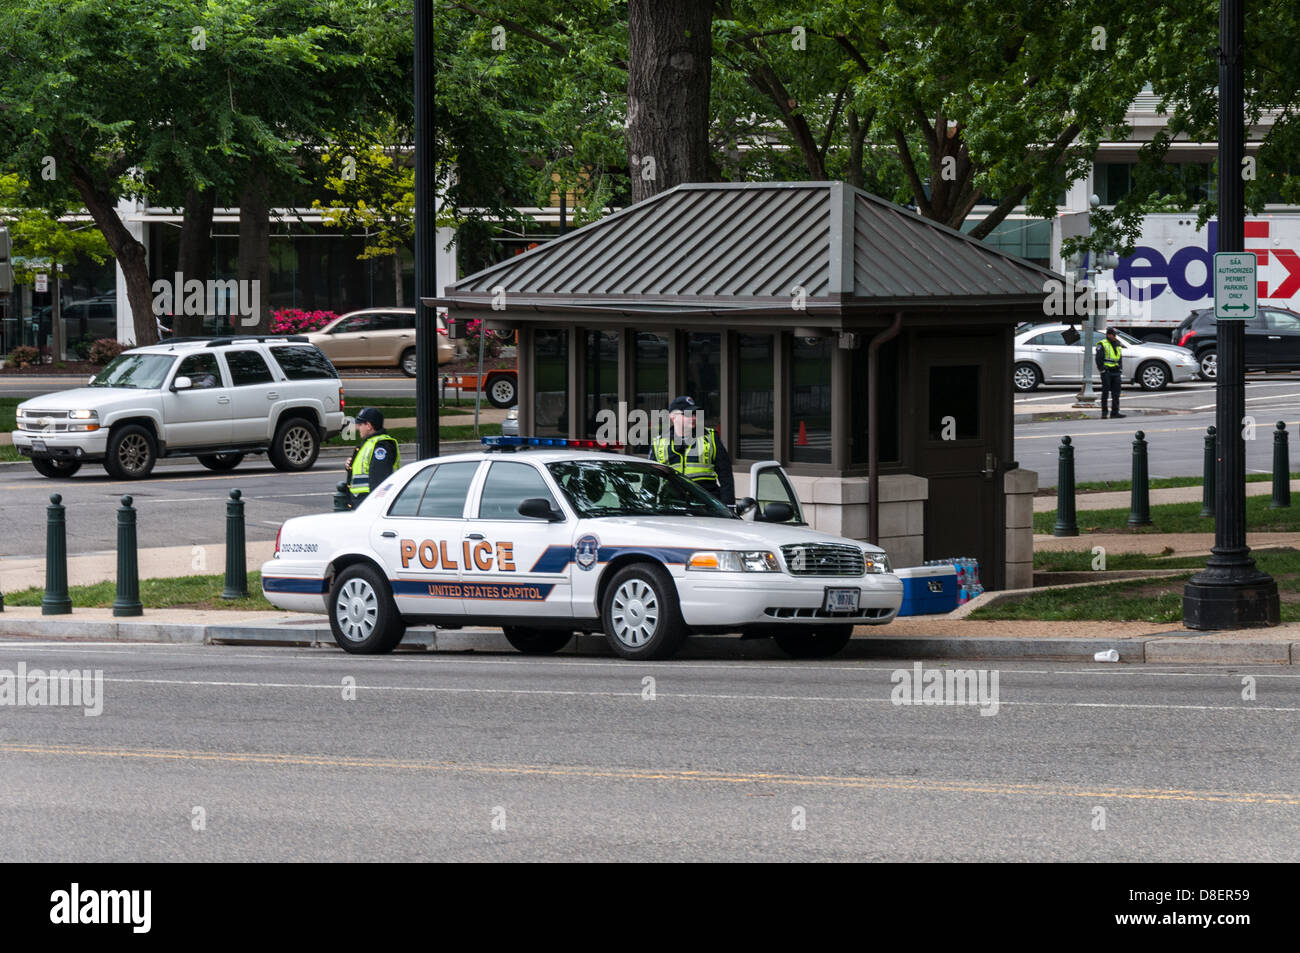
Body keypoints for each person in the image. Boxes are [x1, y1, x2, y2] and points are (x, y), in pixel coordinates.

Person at [649, 395, 735, 505]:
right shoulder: (658, 442)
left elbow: (726, 476)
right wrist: (646, 507)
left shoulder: (710, 437)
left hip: (706, 506)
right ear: (672, 416)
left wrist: (729, 506)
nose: (694, 418)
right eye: (687, 414)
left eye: (694, 414)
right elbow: (650, 480)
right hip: (672, 506)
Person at [346, 407, 401, 508]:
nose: (358, 428)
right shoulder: (370, 443)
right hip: (362, 503)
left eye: (360, 424)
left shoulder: (380, 447)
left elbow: (379, 481)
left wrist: (374, 508)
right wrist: (351, 466)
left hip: (368, 505)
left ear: (369, 425)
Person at [1095, 327, 1126, 419]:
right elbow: (1098, 358)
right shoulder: (1102, 344)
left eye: (1115, 335)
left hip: (1116, 371)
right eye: (1114, 335)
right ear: (1108, 335)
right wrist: (1102, 369)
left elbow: (1119, 357)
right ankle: (1104, 413)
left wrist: (1120, 368)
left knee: (1116, 393)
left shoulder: (1117, 344)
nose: (1115, 337)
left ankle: (1115, 412)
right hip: (1107, 372)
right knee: (1105, 392)